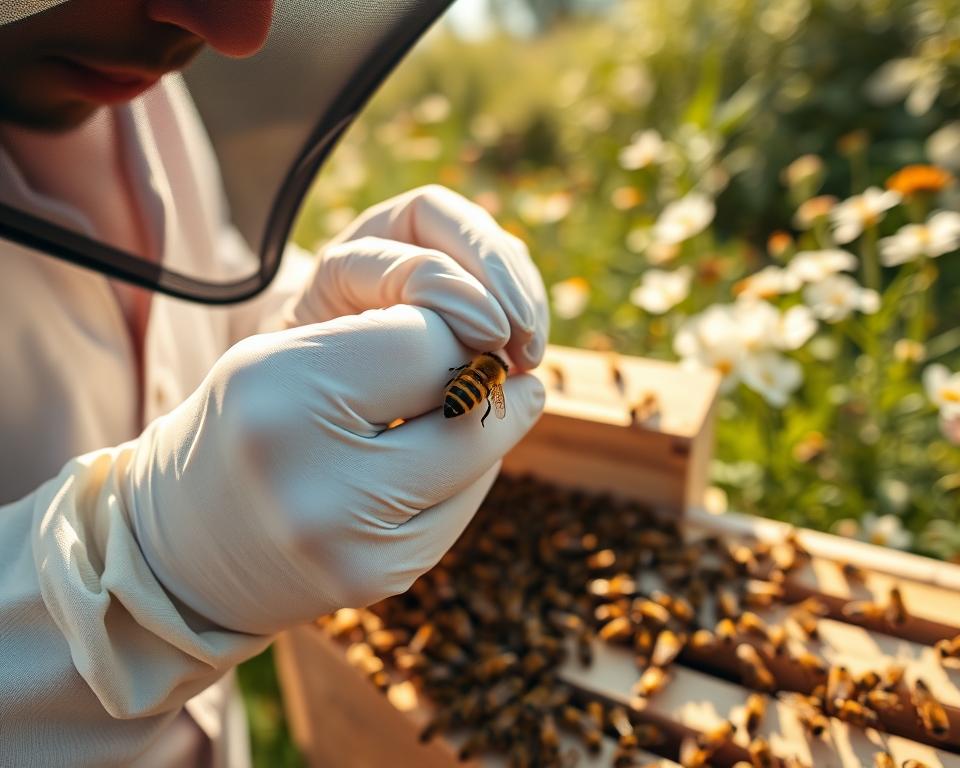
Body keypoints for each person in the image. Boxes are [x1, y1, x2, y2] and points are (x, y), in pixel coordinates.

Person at [0, 2, 549, 766]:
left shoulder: (133, 93)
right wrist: (146, 567)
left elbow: (202, 297)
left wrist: (323, 313)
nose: (237, 30)